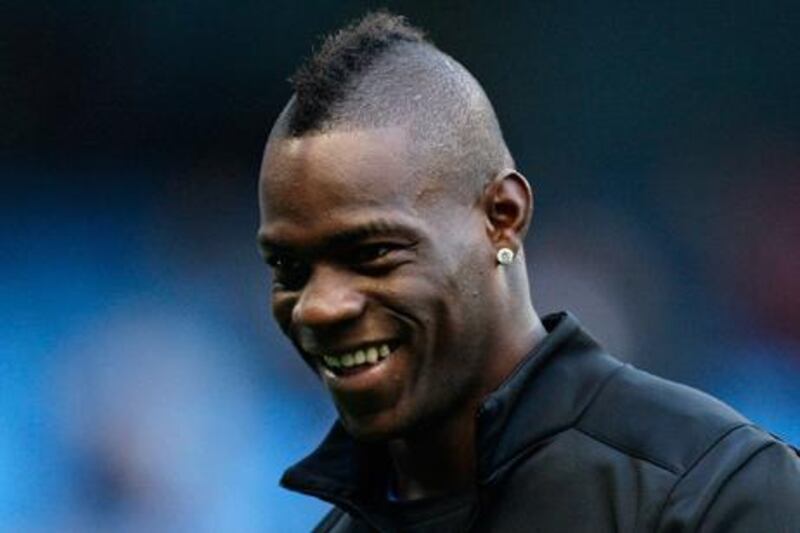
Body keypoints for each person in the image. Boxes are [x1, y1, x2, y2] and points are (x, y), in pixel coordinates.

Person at [256, 11, 800, 532]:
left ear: (503, 218)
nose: (319, 306)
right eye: (289, 267)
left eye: (372, 253)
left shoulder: (716, 492)